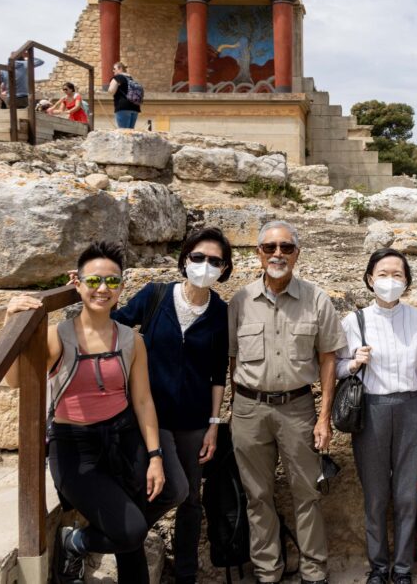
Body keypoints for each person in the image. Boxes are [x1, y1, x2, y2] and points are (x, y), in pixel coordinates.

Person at [4, 241, 184, 583]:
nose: (103, 289)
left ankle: (100, 534)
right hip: (75, 447)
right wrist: (9, 321)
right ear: (78, 283)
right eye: (94, 281)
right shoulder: (58, 337)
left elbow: (143, 401)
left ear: (121, 287)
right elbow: (15, 381)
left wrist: (156, 456)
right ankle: (77, 541)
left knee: (173, 489)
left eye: (113, 282)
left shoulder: (132, 340)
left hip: (122, 436)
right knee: (131, 532)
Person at [111, 228, 233, 584]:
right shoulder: (156, 295)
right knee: (171, 488)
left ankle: (185, 574)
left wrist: (213, 423)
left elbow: (217, 373)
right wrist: (91, 292)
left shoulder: (221, 313)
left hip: (195, 421)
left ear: (223, 269)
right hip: (151, 417)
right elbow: (115, 323)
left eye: (214, 261)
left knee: (191, 500)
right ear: (184, 259)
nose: (205, 265)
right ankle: (122, 534)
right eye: (198, 257)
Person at [228, 221, 347, 584]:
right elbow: (232, 359)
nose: (277, 254)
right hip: (249, 410)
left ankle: (314, 571)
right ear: (258, 254)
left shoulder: (316, 299)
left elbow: (328, 359)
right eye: (269, 247)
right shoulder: (240, 300)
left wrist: (323, 417)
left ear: (297, 253)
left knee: (307, 493)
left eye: (285, 247)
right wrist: (235, 412)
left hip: (297, 409)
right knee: (257, 495)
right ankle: (268, 571)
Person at [335, 249, 417, 584]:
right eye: (383, 274)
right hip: (371, 412)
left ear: (406, 282)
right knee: (375, 496)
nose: (390, 281)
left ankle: (402, 569)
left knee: (406, 495)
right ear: (369, 279)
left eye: (397, 275)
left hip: (409, 409)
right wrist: (352, 363)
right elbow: (334, 368)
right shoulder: (354, 321)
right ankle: (378, 567)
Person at [108, 61, 141, 129]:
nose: (113, 70)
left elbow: (111, 91)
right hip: (135, 108)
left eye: (114, 68)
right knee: (130, 132)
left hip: (123, 107)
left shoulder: (118, 77)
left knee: (123, 132)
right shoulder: (131, 79)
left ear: (120, 68)